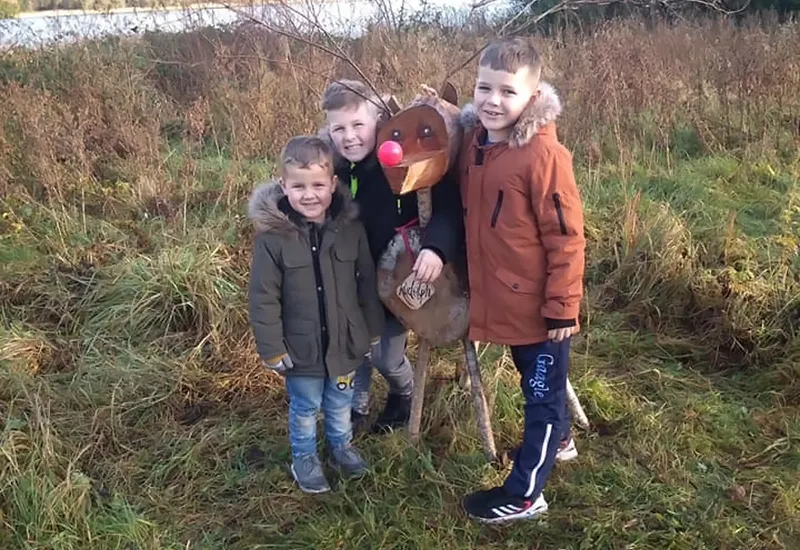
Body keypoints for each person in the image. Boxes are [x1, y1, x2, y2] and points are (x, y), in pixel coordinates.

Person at [457, 37, 586, 523]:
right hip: (509, 299)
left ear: (531, 97)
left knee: (541, 397)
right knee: (534, 380)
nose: (492, 101)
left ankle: (526, 495)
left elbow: (566, 237)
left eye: (507, 92)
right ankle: (561, 440)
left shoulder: (543, 156)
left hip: (540, 307)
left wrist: (562, 307)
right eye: (484, 88)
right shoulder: (478, 142)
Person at [319, 79, 464, 434]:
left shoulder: (402, 163)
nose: (349, 137)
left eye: (358, 125)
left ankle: (403, 391)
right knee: (355, 347)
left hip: (396, 281)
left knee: (385, 355)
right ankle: (357, 404)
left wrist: (435, 247)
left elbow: (446, 206)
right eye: (339, 128)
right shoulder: (331, 172)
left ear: (377, 121)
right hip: (352, 282)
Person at [247, 135, 384, 494]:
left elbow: (366, 284)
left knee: (340, 400)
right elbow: (263, 298)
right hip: (300, 349)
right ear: (284, 186)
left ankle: (341, 446)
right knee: (306, 406)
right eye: (299, 186)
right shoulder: (272, 240)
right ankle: (304, 458)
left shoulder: (351, 230)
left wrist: (370, 331)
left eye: (318, 185)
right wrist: (272, 348)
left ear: (333, 184)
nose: (309, 195)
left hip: (344, 344)